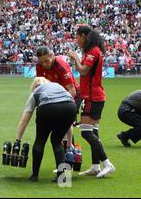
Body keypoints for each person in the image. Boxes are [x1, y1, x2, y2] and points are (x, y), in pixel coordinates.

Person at [68, 25, 115, 178]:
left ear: (84, 35)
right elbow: (81, 70)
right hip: (92, 96)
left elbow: (83, 71)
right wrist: (76, 58)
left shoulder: (93, 51)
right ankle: (96, 166)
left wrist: (75, 57)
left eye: (78, 37)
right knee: (93, 131)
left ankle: (107, 163)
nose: (77, 40)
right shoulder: (90, 51)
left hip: (93, 97)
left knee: (86, 132)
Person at [16, 77, 77, 182]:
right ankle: (62, 177)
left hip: (48, 108)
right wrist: (69, 142)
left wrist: (18, 140)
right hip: (71, 107)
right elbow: (69, 123)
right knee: (57, 141)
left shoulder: (35, 92)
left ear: (34, 86)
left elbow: (24, 121)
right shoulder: (58, 86)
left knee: (40, 140)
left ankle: (35, 175)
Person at [36, 46, 80, 150]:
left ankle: (69, 150)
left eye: (46, 61)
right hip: (55, 97)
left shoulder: (60, 66)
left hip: (71, 95)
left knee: (64, 124)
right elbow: (40, 87)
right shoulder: (39, 66)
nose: (44, 65)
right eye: (41, 62)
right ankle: (66, 153)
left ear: (51, 55)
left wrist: (61, 106)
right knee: (58, 128)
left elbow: (72, 90)